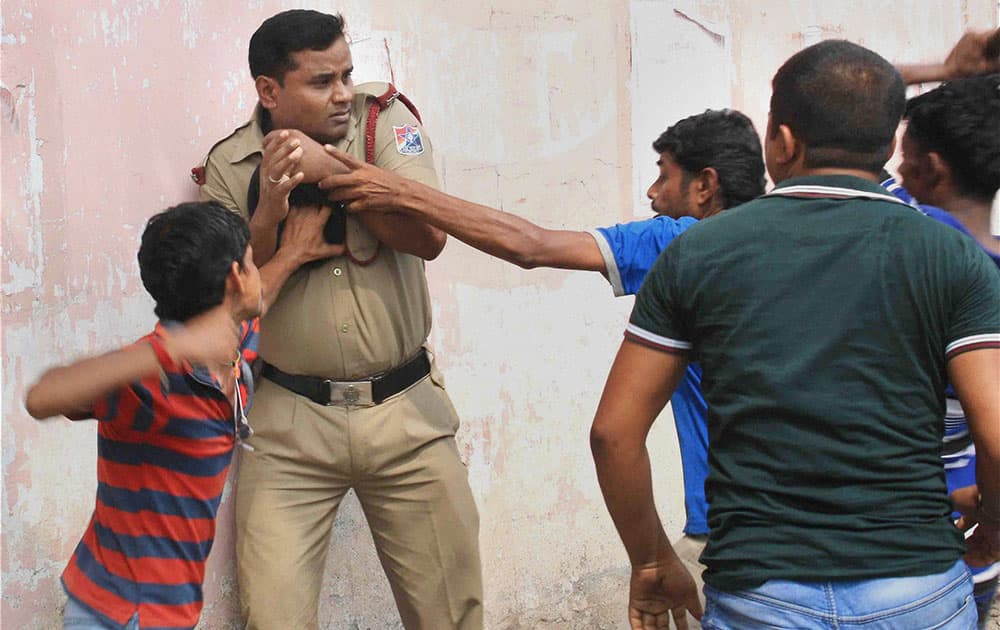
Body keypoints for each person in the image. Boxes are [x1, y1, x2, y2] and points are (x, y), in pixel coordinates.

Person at [589, 40, 1000, 630]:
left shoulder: (698, 252)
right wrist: (992, 532)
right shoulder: (950, 253)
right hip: (915, 589)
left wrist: (651, 559)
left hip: (761, 592)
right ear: (889, 147)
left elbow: (613, 433)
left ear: (781, 143)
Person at [315, 108, 764, 626]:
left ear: (705, 187)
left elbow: (530, 245)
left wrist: (400, 193)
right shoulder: (811, 242)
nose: (652, 192)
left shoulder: (680, 241)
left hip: (730, 539)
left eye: (664, 175)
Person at [197, 10, 482, 630]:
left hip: (407, 413)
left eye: (347, 75)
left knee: (451, 616)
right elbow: (228, 302)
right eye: (322, 81)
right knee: (272, 616)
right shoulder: (231, 163)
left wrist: (333, 173)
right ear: (270, 91)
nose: (344, 94)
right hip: (289, 424)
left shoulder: (383, 125)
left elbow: (429, 235)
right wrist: (270, 212)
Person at [25, 200, 342, 630]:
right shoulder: (152, 379)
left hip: (167, 606)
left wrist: (292, 253)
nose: (255, 274)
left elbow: (259, 296)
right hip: (124, 613)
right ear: (234, 279)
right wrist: (173, 350)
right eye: (250, 262)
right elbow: (44, 397)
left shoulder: (234, 340)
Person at [886, 73, 1000, 628]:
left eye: (903, 159)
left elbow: (835, 108)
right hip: (977, 534)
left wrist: (940, 67)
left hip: (892, 537)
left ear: (930, 168)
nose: (894, 171)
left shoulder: (906, 241)